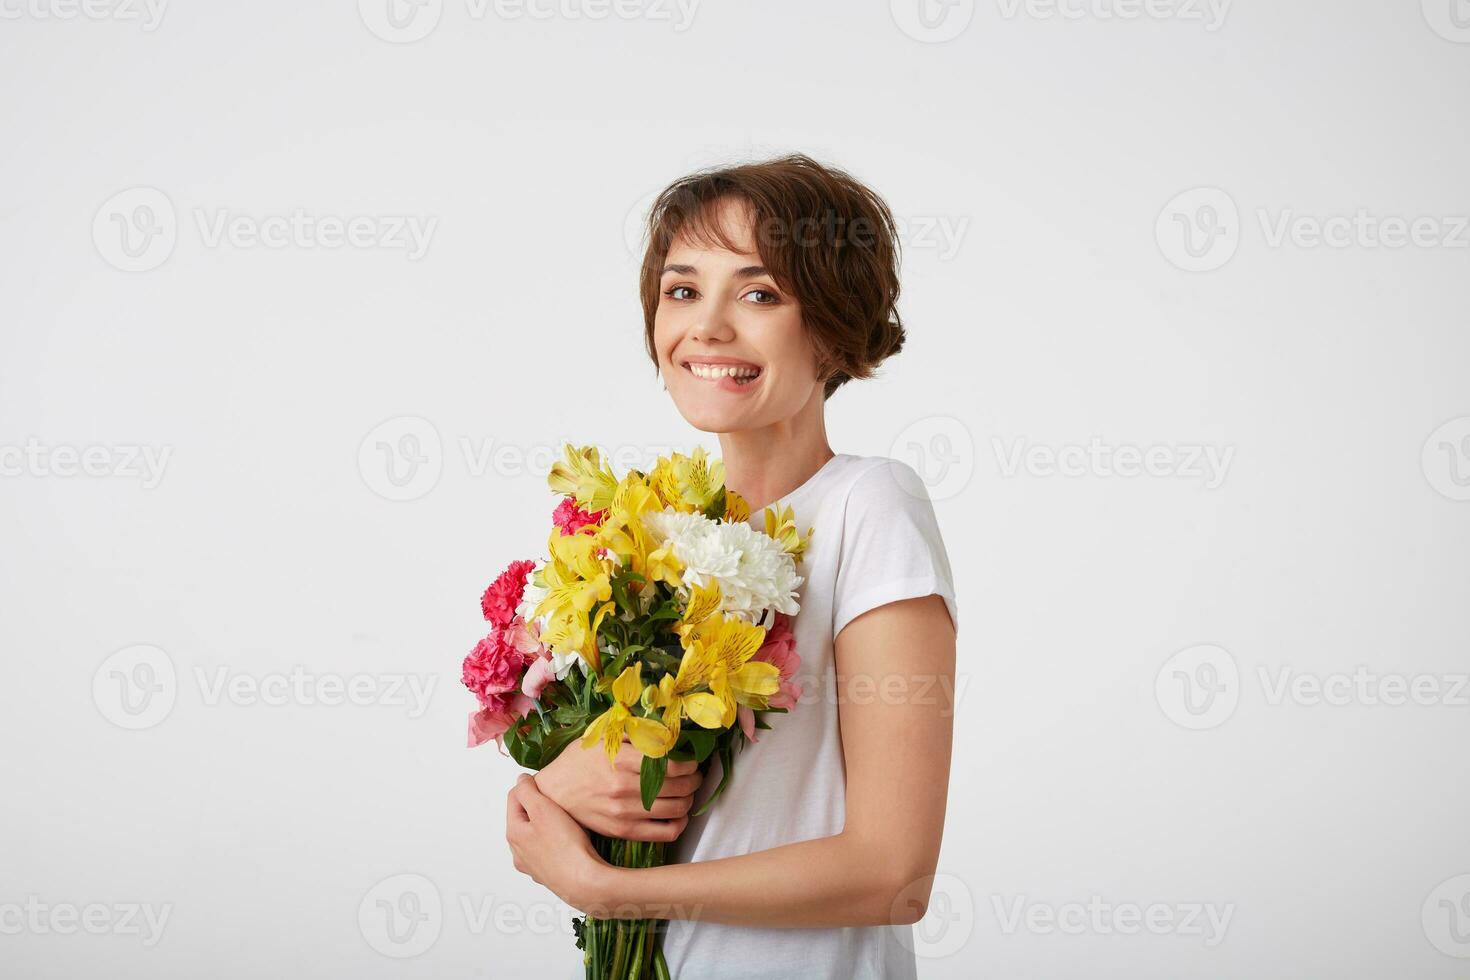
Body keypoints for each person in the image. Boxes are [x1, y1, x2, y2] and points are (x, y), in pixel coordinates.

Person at [504, 154, 959, 980]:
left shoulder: (870, 506)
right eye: (683, 290)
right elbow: (629, 790)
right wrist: (554, 786)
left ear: (831, 324)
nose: (707, 327)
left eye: (758, 293)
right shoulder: (653, 531)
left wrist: (616, 894)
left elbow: (894, 874)